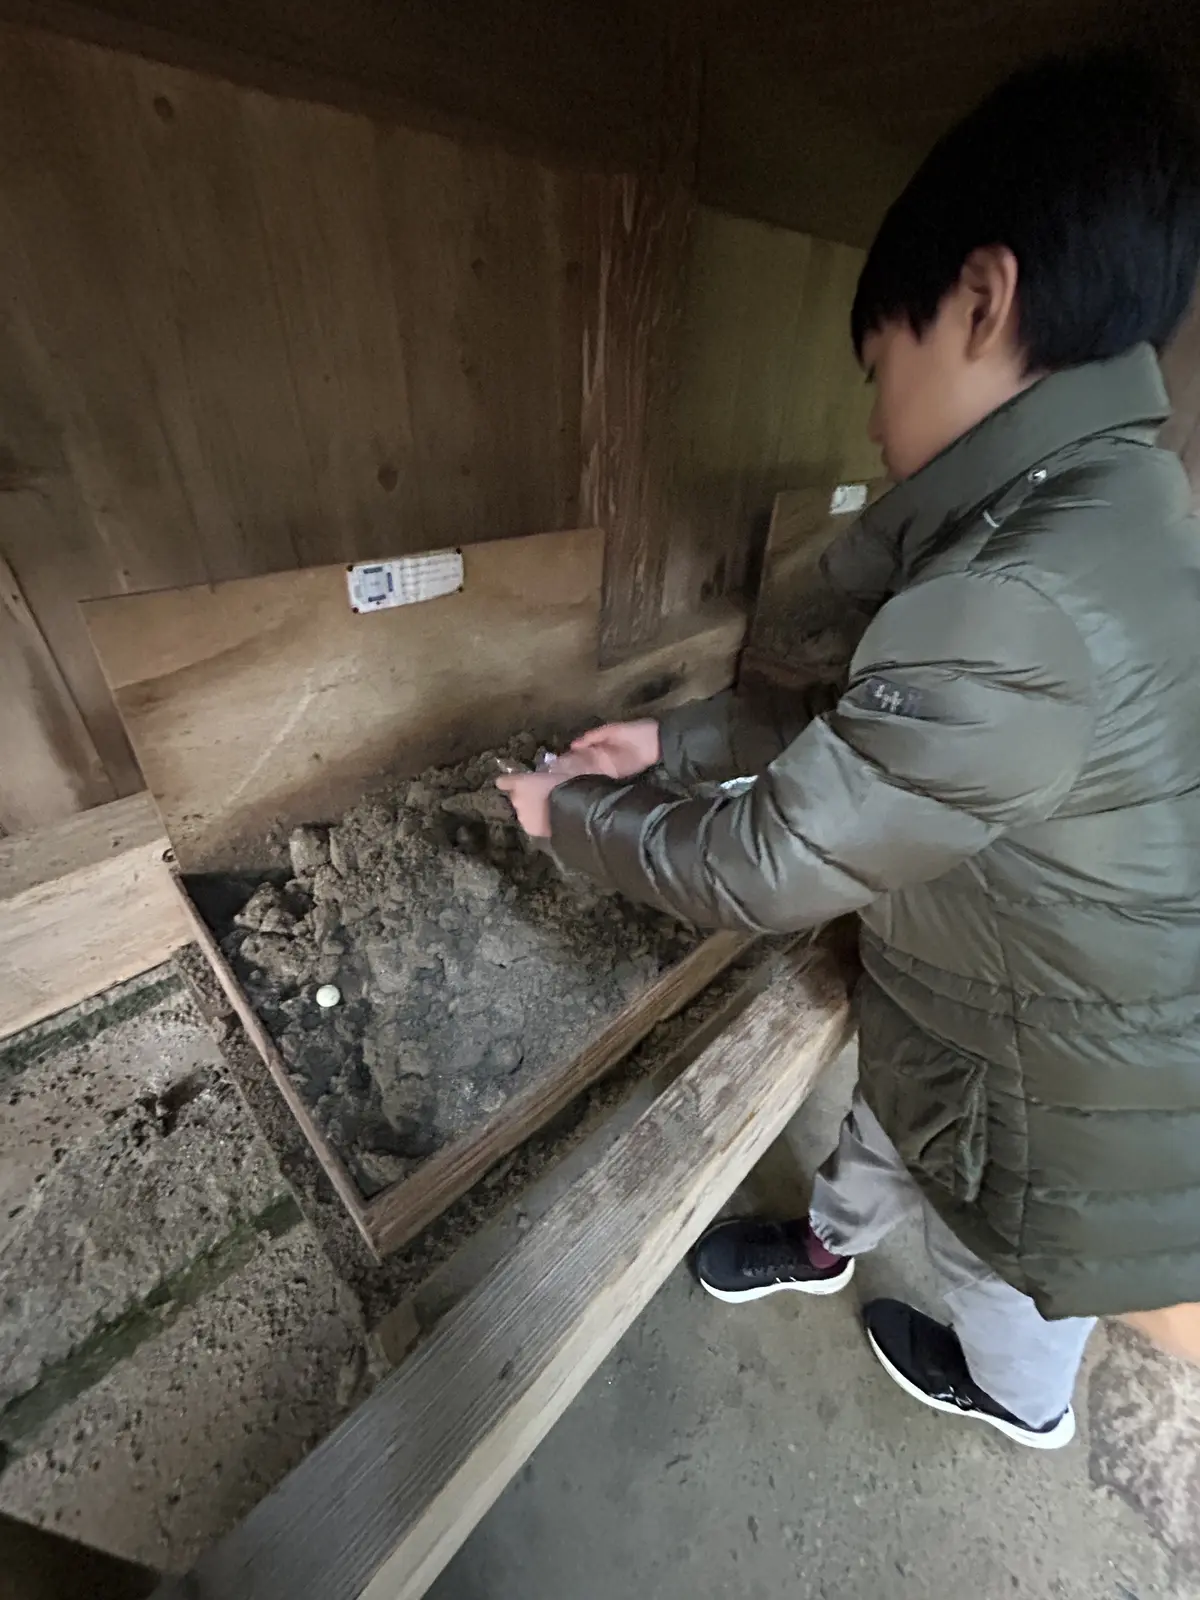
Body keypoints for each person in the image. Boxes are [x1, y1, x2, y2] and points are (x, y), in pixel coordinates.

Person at [498, 52, 1200, 1450]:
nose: (874, 424)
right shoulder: (1114, 505)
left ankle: (1017, 1399)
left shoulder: (1016, 593)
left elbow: (766, 865)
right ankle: (827, 1244)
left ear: (983, 300)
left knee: (995, 1266)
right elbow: (877, 737)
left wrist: (570, 812)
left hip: (1054, 1100)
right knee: (887, 1125)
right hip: (974, 1010)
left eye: (881, 366)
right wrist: (674, 739)